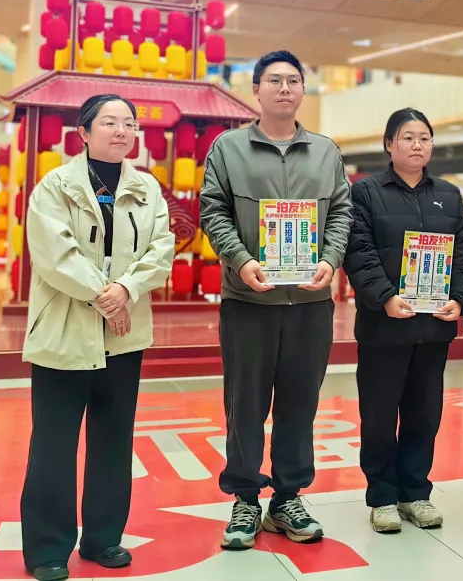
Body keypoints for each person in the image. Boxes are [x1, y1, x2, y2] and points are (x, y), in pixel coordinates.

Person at [200, 50, 353, 549]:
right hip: (248, 300)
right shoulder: (228, 148)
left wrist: (330, 258)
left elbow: (342, 213)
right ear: (256, 90)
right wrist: (240, 260)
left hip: (309, 303)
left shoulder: (326, 152)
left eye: (293, 80)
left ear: (303, 90)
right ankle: (245, 499)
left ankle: (287, 498)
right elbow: (213, 211)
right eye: (274, 81)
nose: (284, 88)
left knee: (299, 405)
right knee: (245, 405)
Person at [21, 95, 175, 581]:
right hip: (64, 332)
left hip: (124, 337)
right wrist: (106, 296)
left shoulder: (147, 189)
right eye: (109, 122)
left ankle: (103, 538)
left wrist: (126, 289)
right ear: (84, 133)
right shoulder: (55, 186)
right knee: (54, 444)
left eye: (129, 123)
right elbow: (54, 254)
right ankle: (47, 549)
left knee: (113, 440)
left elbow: (161, 250)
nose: (122, 130)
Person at [344, 108, 463, 533]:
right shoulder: (366, 193)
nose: (417, 145)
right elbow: (358, 252)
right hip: (384, 327)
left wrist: (461, 299)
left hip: (432, 328)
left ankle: (416, 492)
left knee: (424, 415)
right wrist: (384, 297)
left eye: (424, 137)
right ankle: (382, 497)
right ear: (389, 145)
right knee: (379, 417)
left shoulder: (449, 195)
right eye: (407, 137)